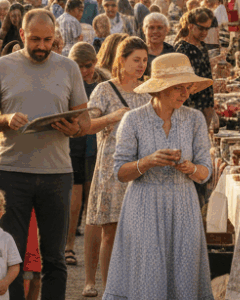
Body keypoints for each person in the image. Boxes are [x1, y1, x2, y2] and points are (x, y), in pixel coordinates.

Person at [0, 9, 92, 300]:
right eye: (35, 40)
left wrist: (74, 128)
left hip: (57, 174)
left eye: (48, 40)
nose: (42, 46)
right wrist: (6, 119)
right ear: (22, 34)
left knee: (54, 257)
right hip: (12, 172)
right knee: (11, 257)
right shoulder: (2, 66)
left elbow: (84, 121)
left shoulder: (68, 68)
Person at [102, 53, 214, 300]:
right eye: (178, 87)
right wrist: (148, 161)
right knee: (146, 273)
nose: (185, 93)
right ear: (160, 88)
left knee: (183, 273)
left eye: (188, 87)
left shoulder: (194, 119)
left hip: (184, 206)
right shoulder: (133, 119)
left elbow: (206, 171)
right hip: (144, 206)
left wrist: (190, 169)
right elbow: (119, 172)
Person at [81, 37, 150, 298]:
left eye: (145, 60)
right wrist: (112, 117)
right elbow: (86, 125)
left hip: (142, 168)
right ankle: (111, 291)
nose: (141, 65)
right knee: (110, 232)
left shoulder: (149, 90)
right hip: (112, 169)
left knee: (139, 233)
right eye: (136, 60)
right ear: (121, 60)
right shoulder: (104, 90)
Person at [66, 43, 102, 272]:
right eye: (78, 66)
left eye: (87, 66)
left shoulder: (102, 83)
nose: (83, 71)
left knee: (93, 202)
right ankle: (68, 246)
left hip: (95, 145)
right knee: (74, 201)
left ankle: (95, 254)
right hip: (73, 145)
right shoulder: (67, 81)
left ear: (95, 63)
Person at [171, 9, 217, 126]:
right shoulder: (183, 49)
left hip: (204, 109)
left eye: (207, 29)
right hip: (188, 110)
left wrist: (211, 110)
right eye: (201, 28)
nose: (205, 32)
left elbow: (206, 80)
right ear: (191, 26)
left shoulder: (202, 46)